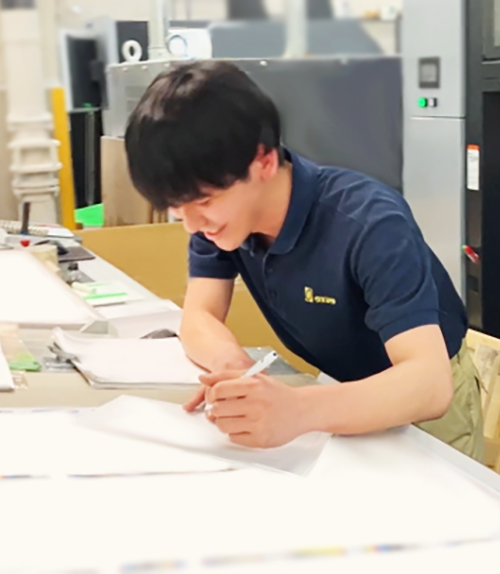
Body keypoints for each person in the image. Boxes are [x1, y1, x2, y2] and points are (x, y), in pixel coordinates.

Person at [125, 61, 484, 461]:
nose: (191, 224)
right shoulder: (221, 223)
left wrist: (297, 410)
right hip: (338, 393)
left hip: (420, 407)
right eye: (177, 208)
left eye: (204, 201)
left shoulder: (368, 222)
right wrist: (235, 369)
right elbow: (199, 317)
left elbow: (429, 385)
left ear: (263, 161)